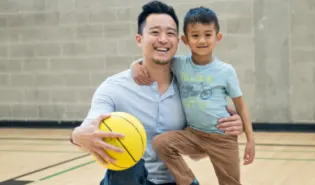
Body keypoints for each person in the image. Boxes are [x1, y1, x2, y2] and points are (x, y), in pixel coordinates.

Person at [70, 1, 244, 185]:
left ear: (178, 40)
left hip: (172, 179)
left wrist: (226, 126)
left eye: (170, 33)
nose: (163, 39)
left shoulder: (191, 89)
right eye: (154, 32)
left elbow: (198, 153)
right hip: (128, 180)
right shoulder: (114, 87)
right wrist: (77, 136)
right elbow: (90, 125)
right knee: (129, 168)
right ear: (139, 39)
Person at [130, 6, 255, 185]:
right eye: (195, 35)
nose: (202, 40)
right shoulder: (179, 64)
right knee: (160, 143)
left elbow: (241, 106)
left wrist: (250, 139)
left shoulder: (226, 71)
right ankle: (188, 182)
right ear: (185, 40)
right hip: (193, 135)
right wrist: (135, 65)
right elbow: (153, 60)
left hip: (223, 138)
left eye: (208, 34)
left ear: (218, 37)